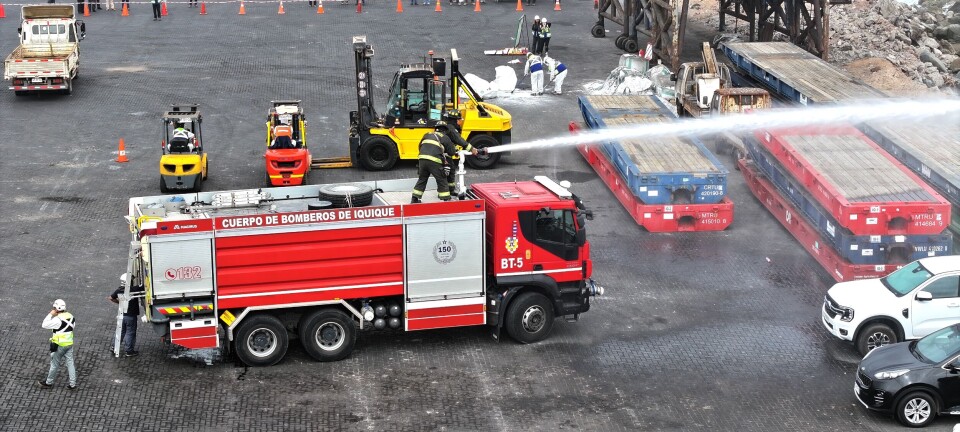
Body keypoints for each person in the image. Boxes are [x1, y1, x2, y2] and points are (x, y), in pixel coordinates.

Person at [412, 122, 477, 203]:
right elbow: (451, 152)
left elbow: (420, 146)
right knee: (441, 179)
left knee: (422, 179)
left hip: (422, 159)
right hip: (434, 161)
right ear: (445, 130)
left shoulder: (427, 135)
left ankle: (414, 198)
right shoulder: (445, 137)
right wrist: (454, 151)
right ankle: (446, 199)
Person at [38, 299, 77, 390]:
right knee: (70, 364)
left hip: (59, 345)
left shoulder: (57, 320)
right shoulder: (71, 316)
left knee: (54, 364)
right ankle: (73, 384)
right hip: (69, 344)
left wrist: (50, 314)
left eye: (54, 308)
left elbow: (44, 325)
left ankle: (48, 382)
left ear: (56, 309)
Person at [109, 274, 143, 357]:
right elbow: (143, 286)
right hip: (131, 316)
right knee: (130, 333)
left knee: (120, 332)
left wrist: (120, 302)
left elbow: (110, 298)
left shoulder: (118, 290)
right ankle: (129, 351)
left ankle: (114, 347)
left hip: (122, 315)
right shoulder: (133, 289)